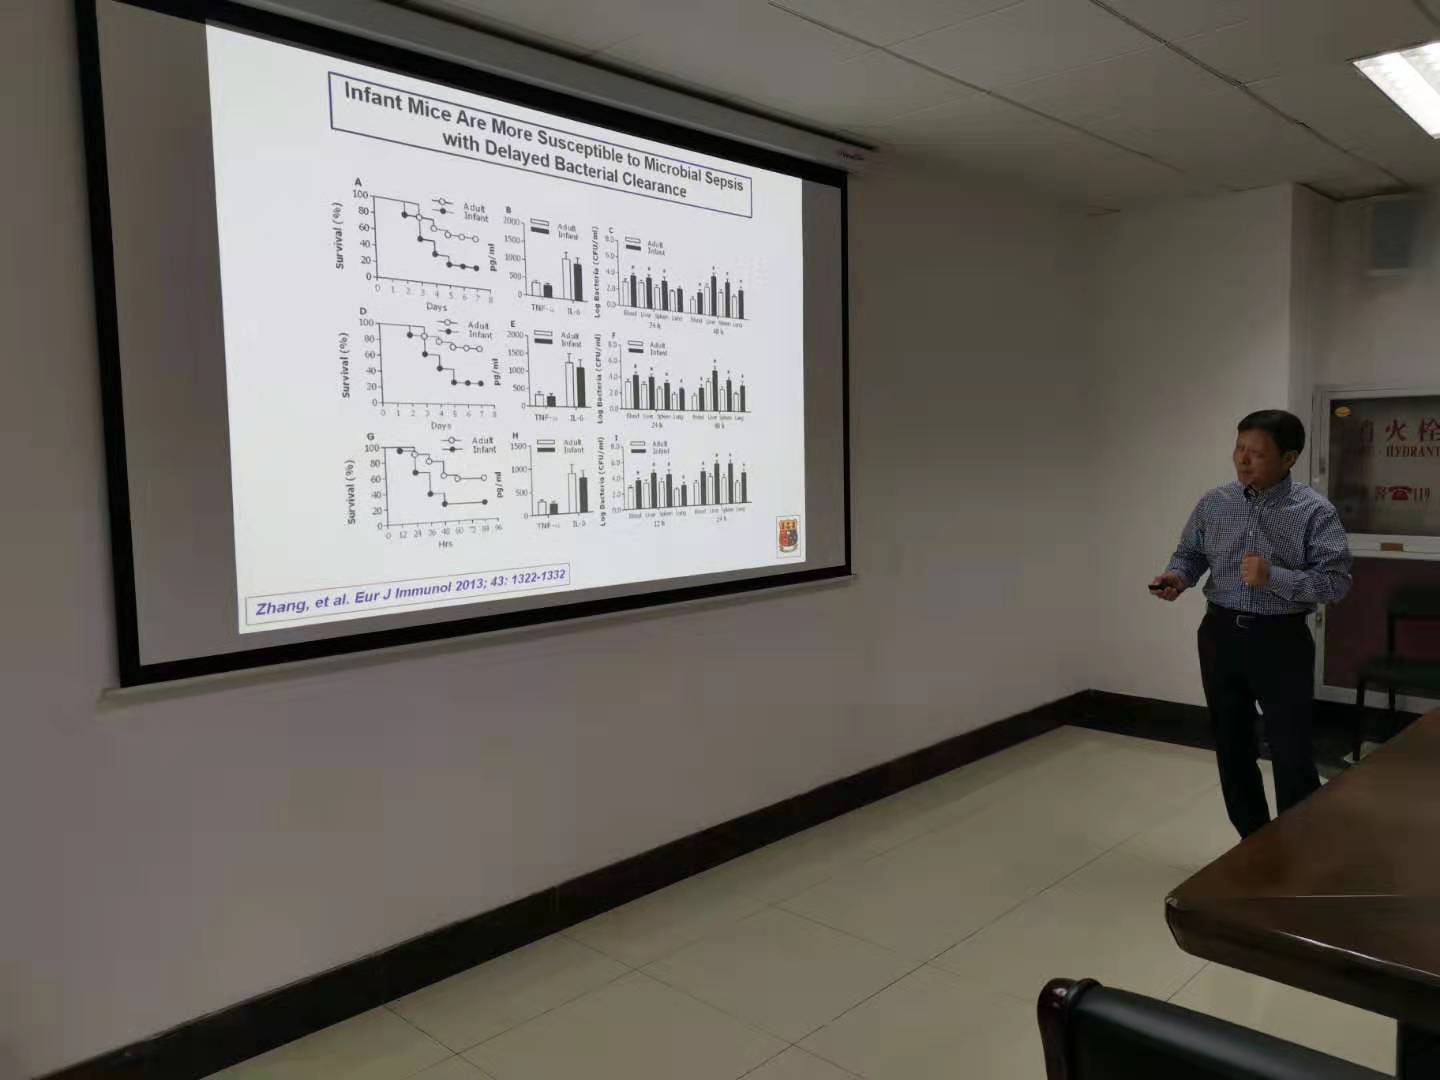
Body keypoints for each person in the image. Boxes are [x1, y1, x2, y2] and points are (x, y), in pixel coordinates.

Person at [1151, 410, 1352, 838]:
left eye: (1257, 453)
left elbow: (1335, 583)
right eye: (1239, 449)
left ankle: (1299, 846)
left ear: (1289, 458)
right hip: (1220, 635)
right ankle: (1253, 842)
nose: (1243, 460)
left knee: (1291, 750)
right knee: (1231, 745)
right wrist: (1178, 577)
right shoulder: (1215, 502)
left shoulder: (1314, 511)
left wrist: (1273, 576)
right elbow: (1190, 553)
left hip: (1280, 641)